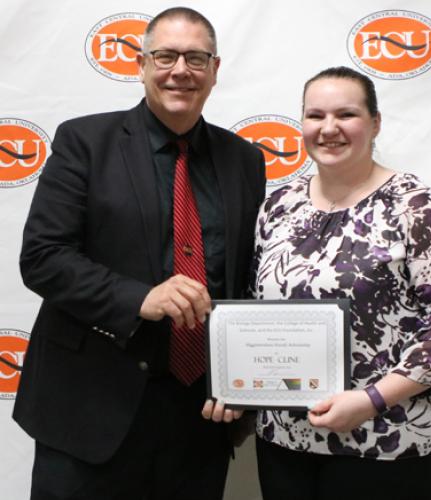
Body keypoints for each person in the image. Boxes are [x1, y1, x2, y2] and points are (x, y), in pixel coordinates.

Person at [14, 7, 265, 500]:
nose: (180, 70)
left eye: (196, 58)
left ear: (215, 69)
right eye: (166, 56)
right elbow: (43, 257)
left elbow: (245, 280)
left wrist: (244, 380)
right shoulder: (84, 142)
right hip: (90, 410)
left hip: (199, 418)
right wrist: (139, 298)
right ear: (141, 64)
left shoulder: (245, 159)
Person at [250, 66, 431, 500]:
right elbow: (256, 311)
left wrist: (371, 400)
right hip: (285, 440)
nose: (329, 128)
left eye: (346, 114)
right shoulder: (279, 206)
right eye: (316, 115)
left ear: (375, 123)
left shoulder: (413, 206)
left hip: (388, 441)